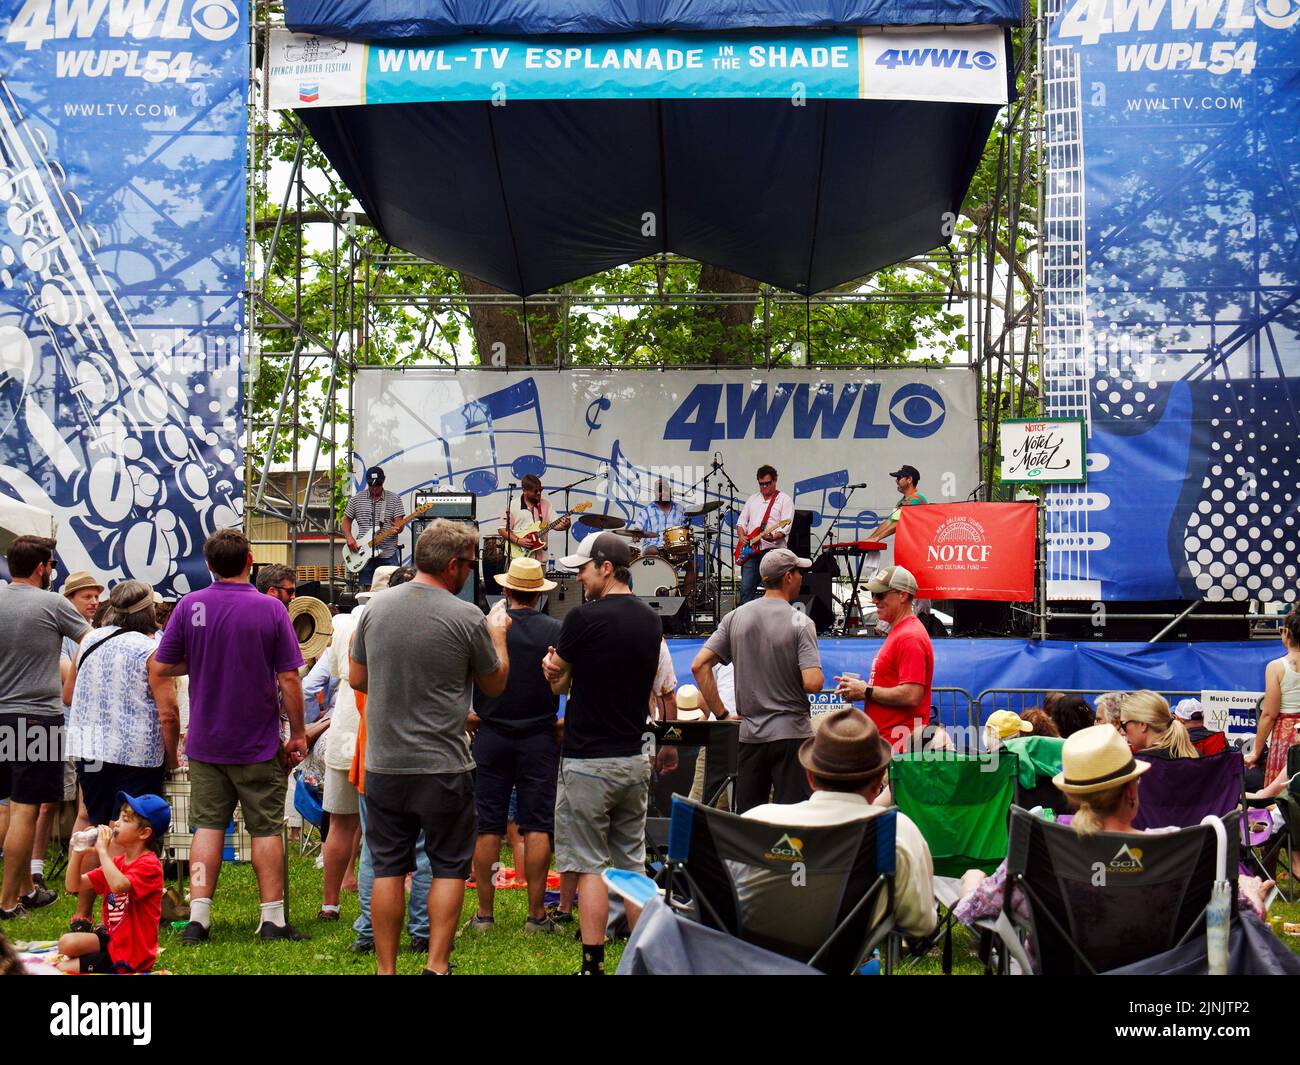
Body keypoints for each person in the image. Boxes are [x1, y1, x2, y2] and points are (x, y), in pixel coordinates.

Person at [954, 726, 1273, 967]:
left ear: (1072, 795)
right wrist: (1253, 893)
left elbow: (976, 909)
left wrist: (971, 881)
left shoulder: (1043, 853)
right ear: (1133, 791)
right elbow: (1233, 915)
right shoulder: (1181, 849)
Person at [349, 519, 511, 976]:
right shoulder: (467, 617)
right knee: (446, 868)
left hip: (383, 764)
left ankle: (386, 969)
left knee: (386, 869)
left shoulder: (375, 610)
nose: (470, 573)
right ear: (455, 565)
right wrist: (498, 635)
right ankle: (436, 965)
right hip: (444, 766)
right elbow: (495, 684)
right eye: (471, 565)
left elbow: (358, 678)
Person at [150, 528, 309, 944]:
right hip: (256, 742)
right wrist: (297, 732)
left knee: (207, 827)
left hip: (206, 741)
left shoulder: (189, 605)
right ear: (251, 560)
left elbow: (163, 666)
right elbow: (289, 677)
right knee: (266, 828)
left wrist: (202, 659)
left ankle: (199, 918)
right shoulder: (272, 609)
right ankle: (272, 919)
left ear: (209, 565)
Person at [543, 531, 661, 975]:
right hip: (633, 756)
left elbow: (559, 680)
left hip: (588, 759)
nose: (580, 577)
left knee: (590, 865)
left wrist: (551, 670)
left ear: (605, 568)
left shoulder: (581, 619)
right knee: (632, 863)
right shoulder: (651, 621)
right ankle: (642, 961)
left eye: (585, 569)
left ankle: (592, 964)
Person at [743, 708, 937, 940]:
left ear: (811, 777)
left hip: (757, 961)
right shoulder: (895, 831)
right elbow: (921, 923)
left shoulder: (758, 822)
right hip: (840, 959)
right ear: (878, 783)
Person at [62, 581, 180, 932]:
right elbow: (169, 712)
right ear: (148, 611)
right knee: (128, 833)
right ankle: (117, 917)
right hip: (136, 750)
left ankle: (82, 913)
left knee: (97, 825)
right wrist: (171, 755)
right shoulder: (150, 649)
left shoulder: (88, 640)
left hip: (90, 747)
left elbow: (69, 696)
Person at [468, 557, 563, 935]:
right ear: (539, 595)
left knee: (487, 826)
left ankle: (485, 916)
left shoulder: (487, 628)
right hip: (539, 736)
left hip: (489, 735)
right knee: (537, 825)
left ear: (506, 591)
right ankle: (537, 915)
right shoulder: (555, 628)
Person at [345, 566, 435, 955]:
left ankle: (368, 932)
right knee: (424, 849)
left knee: (376, 851)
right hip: (425, 756)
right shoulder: (432, 633)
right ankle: (422, 931)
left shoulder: (363, 631)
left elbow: (357, 684)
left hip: (376, 754)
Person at [691, 548, 822, 813]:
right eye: (799, 572)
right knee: (794, 821)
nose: (801, 578)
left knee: (749, 820)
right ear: (787, 577)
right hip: (792, 736)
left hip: (749, 736)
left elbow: (699, 665)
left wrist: (722, 715)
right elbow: (813, 683)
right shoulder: (801, 621)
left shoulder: (735, 617)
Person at [0, 536, 90, 919]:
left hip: (1, 714)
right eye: (51, 564)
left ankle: (25, 888)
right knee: (26, 810)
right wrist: (69, 682)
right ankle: (6, 902)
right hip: (39, 717)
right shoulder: (53, 603)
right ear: (42, 567)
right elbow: (90, 640)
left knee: (5, 805)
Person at [59, 792, 168, 973]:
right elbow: (73, 885)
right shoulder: (118, 862)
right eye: (118, 816)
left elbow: (119, 886)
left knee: (63, 968)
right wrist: (78, 852)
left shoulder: (150, 865)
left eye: (125, 819)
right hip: (113, 938)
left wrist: (103, 851)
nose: (116, 823)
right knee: (66, 943)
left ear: (144, 833)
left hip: (131, 954)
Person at [833, 565, 933, 750]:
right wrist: (862, 691)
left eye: (880, 595)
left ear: (902, 595)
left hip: (900, 749)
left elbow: (912, 695)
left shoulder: (909, 636)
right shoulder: (902, 632)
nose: (874, 600)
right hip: (893, 744)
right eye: (873, 594)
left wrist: (866, 691)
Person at [1248, 607, 1300, 783]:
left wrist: (1256, 751)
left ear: (1286, 633)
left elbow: (1269, 714)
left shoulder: (1276, 667)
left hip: (1286, 735)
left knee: (1280, 797)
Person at [735, 465, 794, 604]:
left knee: (777, 591)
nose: (764, 487)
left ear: (775, 481)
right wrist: (742, 536)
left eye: (767, 483)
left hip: (773, 552)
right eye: (761, 484)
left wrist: (772, 536)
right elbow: (741, 522)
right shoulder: (753, 499)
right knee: (746, 590)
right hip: (751, 552)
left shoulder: (784, 499)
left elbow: (786, 527)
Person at [343, 466, 407, 589]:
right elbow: (346, 521)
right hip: (363, 552)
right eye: (371, 485)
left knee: (392, 588)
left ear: (383, 481)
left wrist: (399, 528)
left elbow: (399, 524)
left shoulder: (394, 499)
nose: (374, 488)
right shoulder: (356, 500)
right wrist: (349, 538)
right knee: (367, 589)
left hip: (388, 553)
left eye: (377, 485)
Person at [500, 473, 570, 562]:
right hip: (518, 559)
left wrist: (566, 525)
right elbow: (502, 530)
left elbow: (556, 525)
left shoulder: (546, 504)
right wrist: (518, 540)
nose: (539, 493)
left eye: (540, 490)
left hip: (540, 560)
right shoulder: (512, 506)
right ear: (524, 490)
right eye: (535, 491)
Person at [1119, 690, 1199, 759]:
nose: (1122, 732)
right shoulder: (1194, 755)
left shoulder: (1142, 766)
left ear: (1143, 725)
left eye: (1123, 725)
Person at [864, 465, 927, 541]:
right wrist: (869, 539)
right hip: (907, 545)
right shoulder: (901, 502)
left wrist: (878, 538)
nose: (896, 481)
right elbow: (889, 522)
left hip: (918, 546)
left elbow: (899, 523)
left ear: (909, 479)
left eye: (899, 478)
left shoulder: (916, 498)